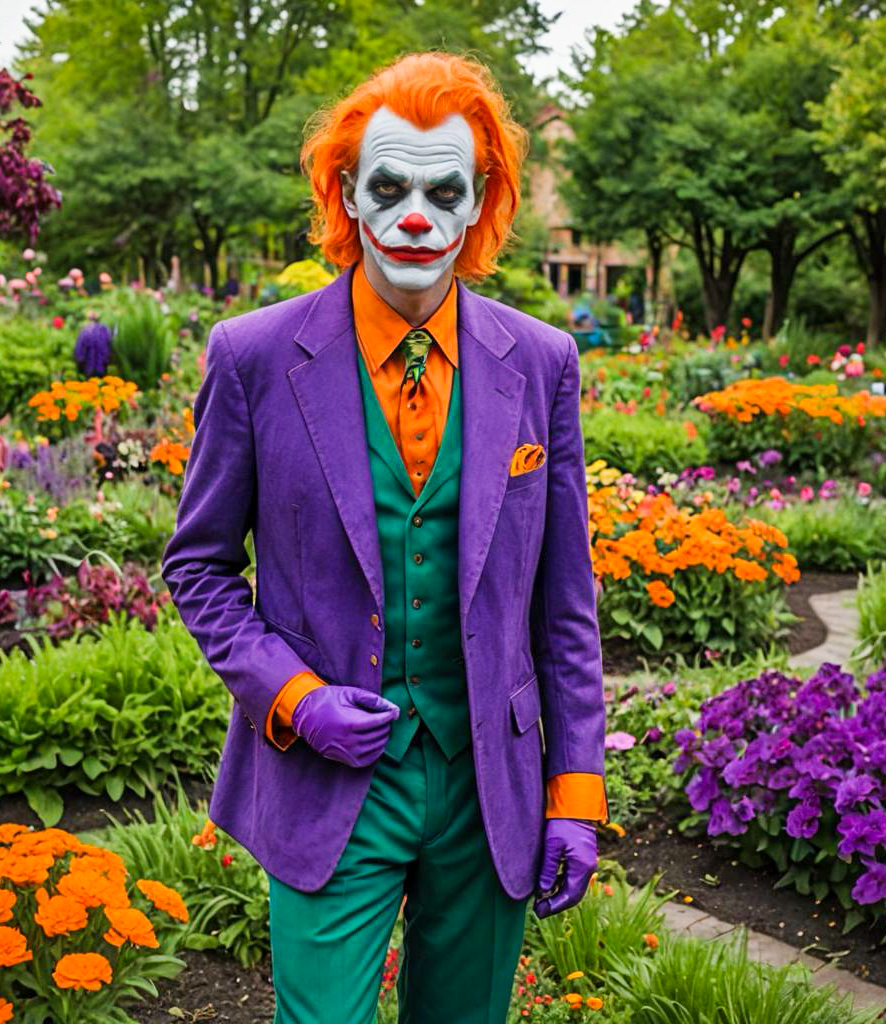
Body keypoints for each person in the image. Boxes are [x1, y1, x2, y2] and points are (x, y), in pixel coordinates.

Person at [162, 52, 608, 1024]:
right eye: (390, 186)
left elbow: (564, 603)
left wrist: (575, 790)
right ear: (347, 195)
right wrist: (291, 695)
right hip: (327, 781)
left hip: (486, 780)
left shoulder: (540, 363)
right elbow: (197, 567)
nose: (416, 215)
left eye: (444, 189)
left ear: (480, 199)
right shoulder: (253, 357)